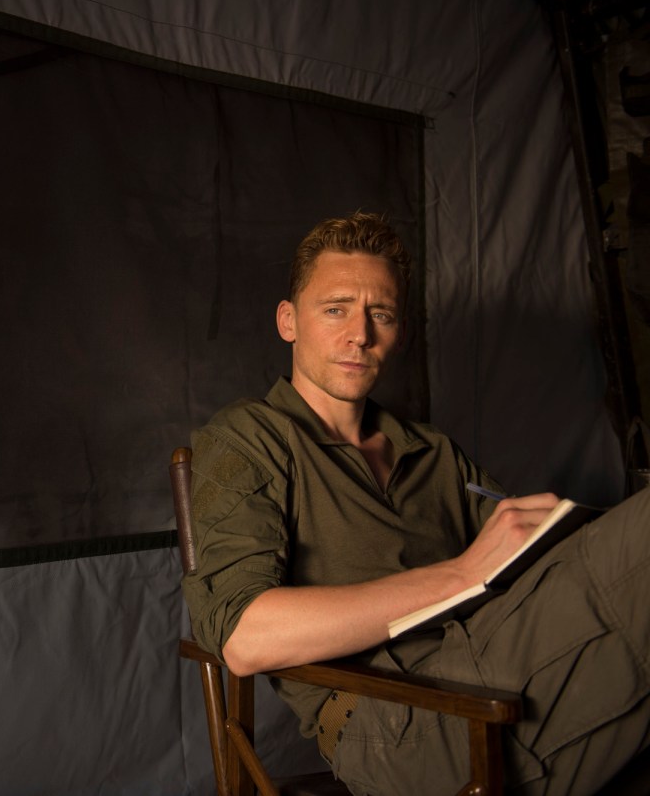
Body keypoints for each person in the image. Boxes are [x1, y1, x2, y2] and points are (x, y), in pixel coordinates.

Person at [181, 211, 650, 795]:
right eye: (336, 309)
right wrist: (463, 573)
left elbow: (531, 567)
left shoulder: (432, 451)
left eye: (380, 314)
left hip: (506, 670)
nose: (360, 334)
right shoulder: (249, 438)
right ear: (288, 321)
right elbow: (245, 637)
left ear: (398, 332)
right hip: (394, 722)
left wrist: (559, 532)